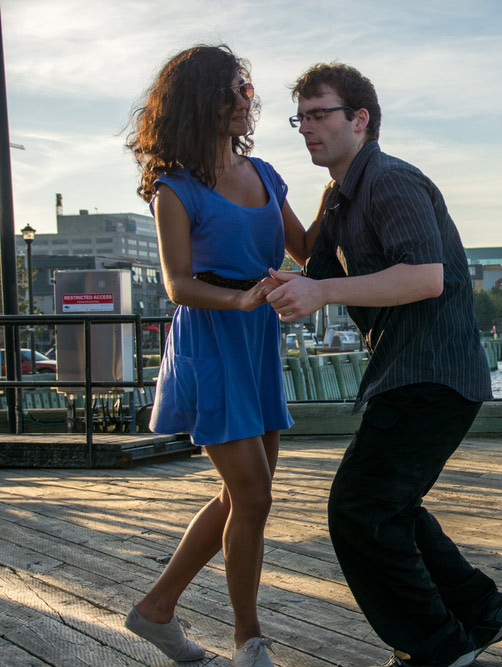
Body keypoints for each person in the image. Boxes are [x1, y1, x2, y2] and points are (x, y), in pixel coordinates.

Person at [262, 62, 502, 667]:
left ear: (361, 119)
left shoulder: (390, 181)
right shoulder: (341, 194)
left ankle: (437, 647)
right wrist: (267, 198)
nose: (306, 127)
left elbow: (424, 278)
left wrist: (320, 293)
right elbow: (316, 266)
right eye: (299, 117)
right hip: (409, 373)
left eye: (319, 114)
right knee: (388, 505)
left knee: (362, 508)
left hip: (432, 372)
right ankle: (484, 612)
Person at [123, 45, 317, 667]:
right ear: (202, 99)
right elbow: (178, 283)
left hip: (258, 343)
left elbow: (309, 249)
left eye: (247, 88)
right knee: (254, 497)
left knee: (245, 498)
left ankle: (155, 610)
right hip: (211, 340)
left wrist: (351, 181)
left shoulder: (263, 173)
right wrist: (239, 304)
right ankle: (249, 641)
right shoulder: (174, 190)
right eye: (235, 88)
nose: (247, 98)